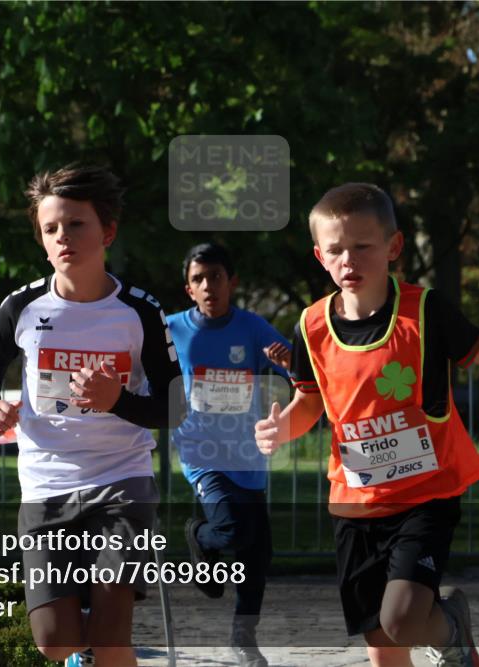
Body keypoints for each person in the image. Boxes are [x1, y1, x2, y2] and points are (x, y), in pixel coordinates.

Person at [254, 183, 479, 667]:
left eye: (362, 246)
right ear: (320, 256)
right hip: (354, 503)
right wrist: (283, 429)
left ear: (394, 247)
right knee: (382, 646)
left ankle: (450, 633)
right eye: (336, 250)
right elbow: (311, 401)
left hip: (425, 492)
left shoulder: (425, 312)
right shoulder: (311, 325)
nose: (349, 260)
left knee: (403, 619)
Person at [0, 164, 185, 667]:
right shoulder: (21, 306)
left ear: (107, 232)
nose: (63, 237)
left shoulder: (139, 310)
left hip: (121, 482)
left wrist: (118, 401)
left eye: (76, 224)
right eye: (51, 229)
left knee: (110, 639)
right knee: (54, 642)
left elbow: (174, 407)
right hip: (46, 484)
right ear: (42, 241)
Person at [167, 242, 291, 667]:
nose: (208, 286)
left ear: (231, 282)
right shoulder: (171, 330)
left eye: (215, 277)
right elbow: (136, 367)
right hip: (202, 452)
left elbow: (294, 368)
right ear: (188, 289)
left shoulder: (253, 328)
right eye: (199, 279)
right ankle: (198, 535)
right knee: (232, 529)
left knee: (259, 553)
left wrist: (286, 361)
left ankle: (243, 637)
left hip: (247, 454)